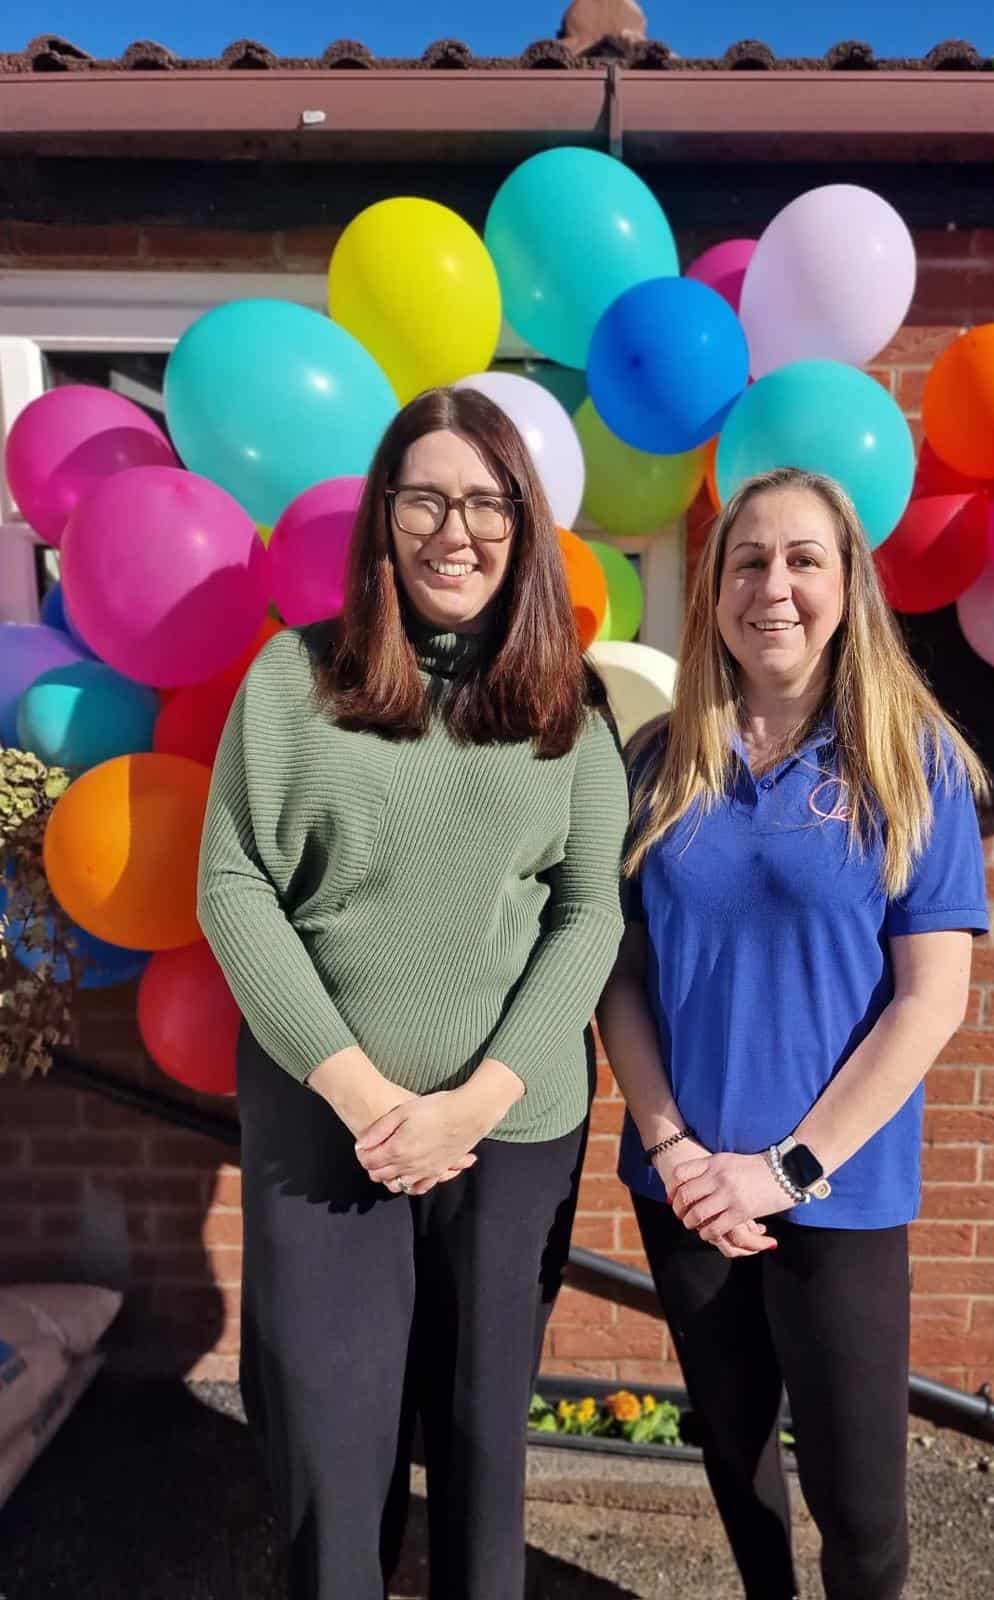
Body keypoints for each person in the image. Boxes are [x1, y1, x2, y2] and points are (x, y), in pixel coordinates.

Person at [196, 386, 628, 1600]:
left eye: (486, 502)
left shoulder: (569, 704)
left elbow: (589, 912)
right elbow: (232, 884)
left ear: (522, 524)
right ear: (382, 516)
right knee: (333, 1456)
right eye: (424, 499)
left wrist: (470, 1106)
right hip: (325, 1124)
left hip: (508, 1134)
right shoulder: (293, 679)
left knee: (483, 1448)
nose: (455, 531)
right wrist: (364, 1096)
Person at [597, 466, 989, 1600]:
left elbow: (930, 1000)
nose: (772, 586)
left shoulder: (909, 760)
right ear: (713, 591)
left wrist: (785, 1168)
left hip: (836, 1194)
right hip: (684, 1190)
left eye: (802, 559)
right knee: (733, 1456)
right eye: (747, 561)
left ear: (846, 585)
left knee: (860, 1509)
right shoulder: (657, 761)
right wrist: (674, 1148)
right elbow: (619, 977)